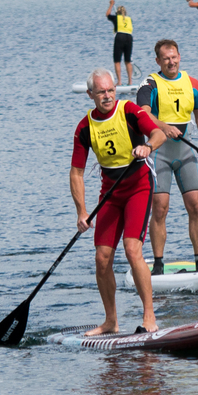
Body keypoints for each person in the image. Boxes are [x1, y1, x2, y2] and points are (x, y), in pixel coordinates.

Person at [71, 68, 167, 336]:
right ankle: (111, 321)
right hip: (110, 193)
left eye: (111, 90)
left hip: (138, 186)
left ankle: (149, 316)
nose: (107, 96)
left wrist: (148, 146)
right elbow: (76, 173)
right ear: (90, 94)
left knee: (131, 249)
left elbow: (157, 133)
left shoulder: (130, 111)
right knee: (102, 258)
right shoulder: (84, 127)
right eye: (101, 91)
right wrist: (82, 211)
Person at [136, 39, 198, 275]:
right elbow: (142, 113)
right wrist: (163, 126)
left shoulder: (192, 83)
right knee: (160, 208)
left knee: (195, 205)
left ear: (179, 56)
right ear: (158, 61)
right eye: (165, 59)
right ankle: (158, 265)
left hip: (184, 151)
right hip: (158, 152)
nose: (171, 62)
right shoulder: (150, 84)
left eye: (174, 57)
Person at [106, 0, 134, 86]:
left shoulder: (116, 18)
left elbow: (107, 15)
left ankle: (120, 82)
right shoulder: (129, 19)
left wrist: (111, 5)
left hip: (120, 37)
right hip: (129, 38)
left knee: (117, 61)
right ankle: (130, 81)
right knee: (127, 61)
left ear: (117, 13)